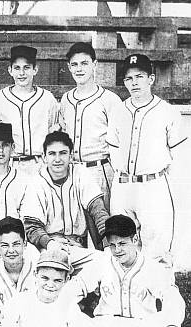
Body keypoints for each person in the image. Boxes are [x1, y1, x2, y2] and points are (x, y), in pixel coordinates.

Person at [67, 215, 185, 327]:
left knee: (161, 320)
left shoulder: (152, 267)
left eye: (122, 243)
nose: (117, 250)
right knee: (71, 313)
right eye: (112, 245)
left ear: (135, 239)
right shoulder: (102, 262)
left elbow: (172, 296)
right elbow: (75, 286)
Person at [107, 53, 187, 268]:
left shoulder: (167, 112)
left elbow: (178, 157)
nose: (134, 83)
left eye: (139, 76)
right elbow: (113, 149)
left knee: (156, 249)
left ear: (151, 79)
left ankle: (160, 297)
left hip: (153, 185)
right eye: (129, 78)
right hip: (124, 185)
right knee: (122, 244)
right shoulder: (118, 110)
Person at [21, 131, 108, 272]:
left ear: (71, 155)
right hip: (48, 247)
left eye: (62, 153)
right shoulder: (36, 182)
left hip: (78, 248)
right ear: (43, 157)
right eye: (52, 153)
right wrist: (49, 243)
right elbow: (32, 227)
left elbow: (98, 211)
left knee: (107, 262)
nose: (57, 159)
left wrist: (108, 243)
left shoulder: (81, 174)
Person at [59, 42, 123, 213]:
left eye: (84, 63)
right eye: (74, 64)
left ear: (95, 64)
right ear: (69, 68)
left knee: (105, 227)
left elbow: (120, 141)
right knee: (75, 228)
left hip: (100, 169)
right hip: (72, 170)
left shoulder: (110, 100)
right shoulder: (66, 99)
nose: (79, 69)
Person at [0, 45, 59, 180]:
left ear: (35, 70)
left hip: (41, 164)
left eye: (26, 68)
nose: (22, 73)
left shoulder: (48, 99)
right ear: (10, 70)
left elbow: (53, 134)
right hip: (11, 165)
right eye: (17, 68)